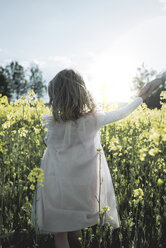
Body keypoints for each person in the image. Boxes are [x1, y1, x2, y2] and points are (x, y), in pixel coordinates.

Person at [30, 69, 165, 248]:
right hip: (83, 185)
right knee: (76, 225)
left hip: (58, 186)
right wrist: (140, 98)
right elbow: (121, 113)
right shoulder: (93, 119)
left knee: (60, 232)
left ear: (56, 97)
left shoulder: (54, 123)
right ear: (82, 92)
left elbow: (48, 143)